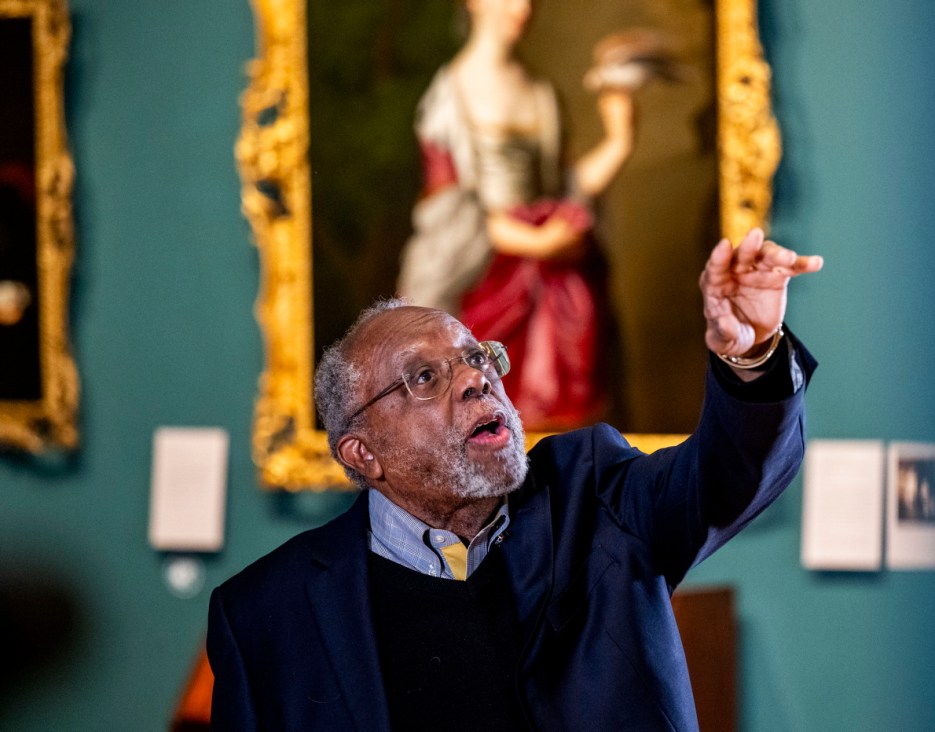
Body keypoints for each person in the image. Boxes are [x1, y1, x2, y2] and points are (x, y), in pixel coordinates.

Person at [207, 228, 823, 730]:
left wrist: (754, 354)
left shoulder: (595, 492)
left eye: (477, 356)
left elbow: (727, 477)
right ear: (363, 453)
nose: (477, 379)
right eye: (425, 378)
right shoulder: (265, 613)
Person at [395, 0, 637, 431]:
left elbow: (566, 188)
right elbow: (449, 204)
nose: (522, 7)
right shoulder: (451, 95)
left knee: (568, 427)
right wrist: (536, 243)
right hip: (487, 277)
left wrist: (620, 140)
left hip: (557, 283)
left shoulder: (540, 92)